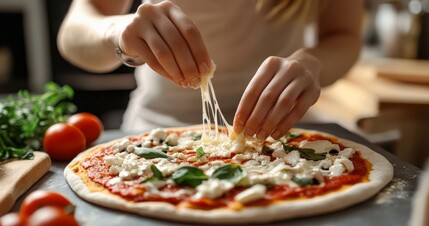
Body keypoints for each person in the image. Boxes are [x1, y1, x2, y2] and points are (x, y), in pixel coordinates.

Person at [57, 0, 363, 139]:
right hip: (153, 132)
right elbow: (72, 34)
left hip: (280, 137)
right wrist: (118, 30)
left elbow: (344, 35)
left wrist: (313, 63)